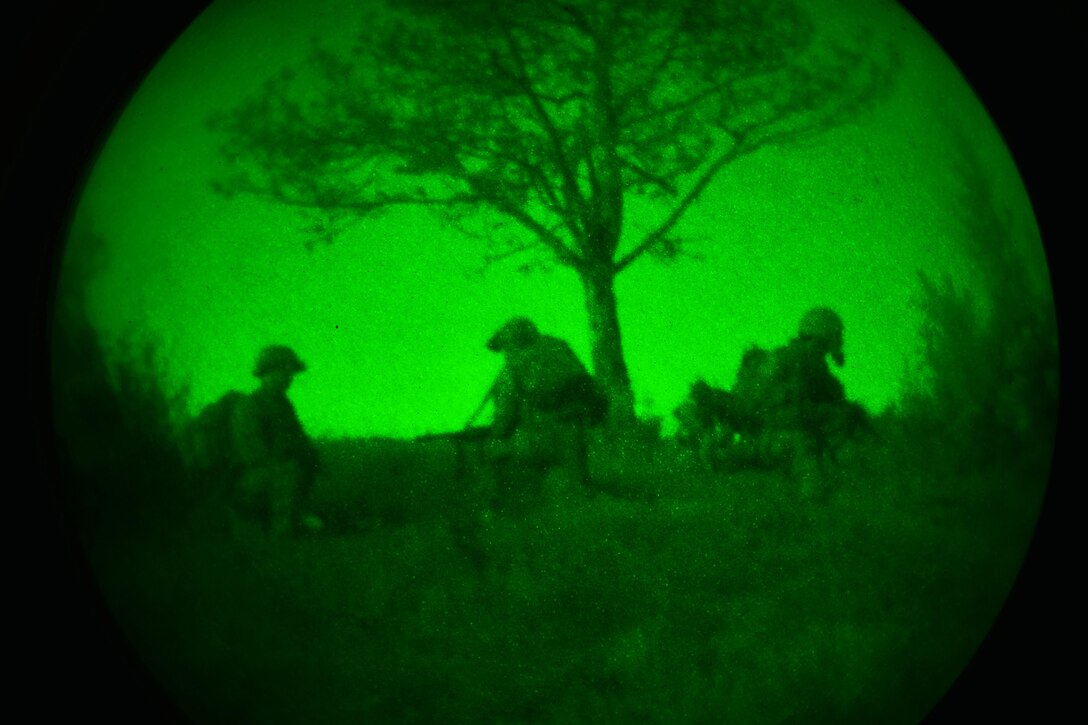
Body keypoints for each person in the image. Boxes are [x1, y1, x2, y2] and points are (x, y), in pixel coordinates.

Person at [230, 344, 320, 537]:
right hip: (249, 482)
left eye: (290, 373)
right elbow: (252, 455)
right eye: (283, 371)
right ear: (267, 373)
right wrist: (285, 458)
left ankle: (299, 521)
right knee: (286, 471)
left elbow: (299, 440)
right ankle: (282, 534)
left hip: (278, 475)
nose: (289, 378)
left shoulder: (284, 406)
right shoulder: (250, 406)